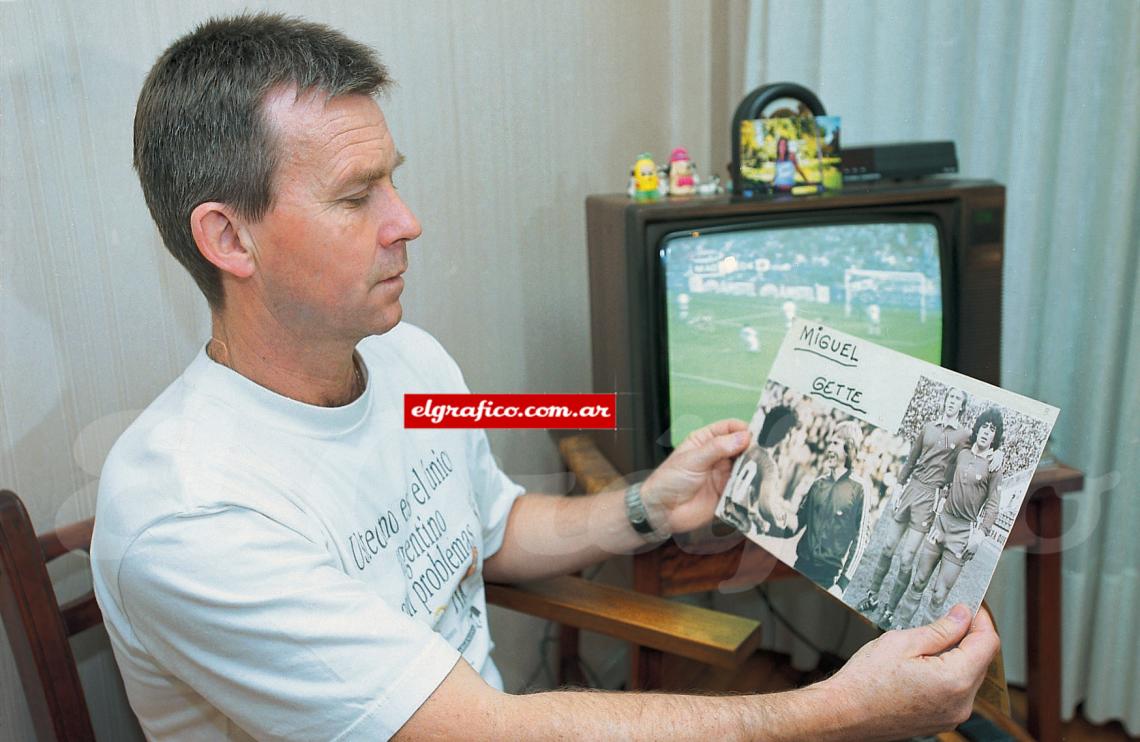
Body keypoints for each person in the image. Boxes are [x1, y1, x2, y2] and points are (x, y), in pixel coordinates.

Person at [91, 13, 999, 740]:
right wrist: (837, 712)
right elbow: (483, 730)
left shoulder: (409, 358)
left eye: (392, 182)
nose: (407, 222)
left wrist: (650, 506)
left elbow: (492, 530)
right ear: (227, 238)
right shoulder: (188, 514)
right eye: (356, 195)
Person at [856, 388, 1003, 628]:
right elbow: (917, 457)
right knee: (887, 547)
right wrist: (900, 485)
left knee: (907, 559)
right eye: (950, 396)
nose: (952, 401)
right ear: (945, 400)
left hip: (929, 498)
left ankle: (892, 611)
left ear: (962, 406)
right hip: (912, 489)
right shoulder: (933, 430)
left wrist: (1000, 453)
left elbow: (977, 449)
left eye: (958, 398)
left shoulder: (964, 435)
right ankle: (872, 596)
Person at [891, 408, 1005, 629]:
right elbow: (945, 477)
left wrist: (981, 533)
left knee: (938, 595)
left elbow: (993, 505)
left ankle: (923, 638)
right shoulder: (961, 452)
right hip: (941, 524)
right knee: (918, 581)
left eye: (992, 430)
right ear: (978, 428)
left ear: (994, 437)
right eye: (984, 426)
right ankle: (900, 629)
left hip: (962, 534)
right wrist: (941, 503)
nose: (986, 432)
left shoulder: (994, 466)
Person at [772, 421, 866, 591]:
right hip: (799, 566)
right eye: (830, 442)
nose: (829, 448)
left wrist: (842, 584)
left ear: (849, 448)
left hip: (826, 579)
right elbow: (797, 524)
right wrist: (779, 519)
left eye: (835, 443)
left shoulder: (860, 489)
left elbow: (860, 542)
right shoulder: (818, 484)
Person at [720, 405, 797, 534]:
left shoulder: (747, 443)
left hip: (724, 506)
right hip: (739, 521)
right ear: (783, 435)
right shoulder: (769, 466)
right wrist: (780, 525)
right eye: (789, 432)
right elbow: (765, 506)